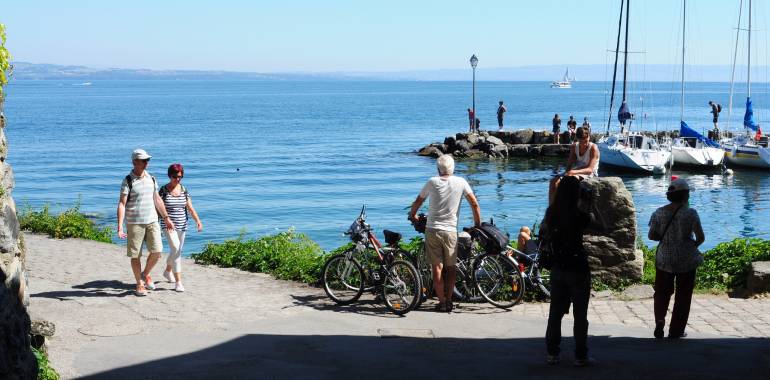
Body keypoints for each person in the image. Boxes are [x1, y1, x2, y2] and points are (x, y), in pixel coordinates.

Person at [409, 155, 481, 313]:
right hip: (450, 231)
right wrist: (477, 225)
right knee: (451, 268)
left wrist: (413, 214)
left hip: (432, 230)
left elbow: (418, 201)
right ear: (453, 168)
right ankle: (449, 301)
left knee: (437, 268)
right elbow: (475, 204)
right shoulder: (461, 182)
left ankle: (441, 302)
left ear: (438, 169)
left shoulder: (432, 182)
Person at [544, 176, 594, 367]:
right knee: (580, 315)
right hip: (578, 268)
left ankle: (552, 353)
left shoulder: (551, 213)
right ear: (577, 194)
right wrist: (591, 205)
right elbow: (602, 226)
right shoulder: (579, 215)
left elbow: (545, 232)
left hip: (558, 267)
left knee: (555, 313)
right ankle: (580, 355)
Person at [648, 178, 704, 339]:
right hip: (686, 259)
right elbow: (701, 237)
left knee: (661, 292)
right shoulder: (691, 213)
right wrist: (691, 245)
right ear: (685, 196)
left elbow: (652, 236)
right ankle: (676, 330)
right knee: (683, 295)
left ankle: (659, 320)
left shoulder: (658, 212)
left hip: (664, 258)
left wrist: (666, 238)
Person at [117, 149, 175, 296]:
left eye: (147, 160)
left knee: (157, 252)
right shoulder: (128, 180)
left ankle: (145, 273)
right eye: (143, 160)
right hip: (134, 223)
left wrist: (166, 217)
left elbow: (157, 199)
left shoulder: (152, 179)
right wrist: (120, 227)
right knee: (136, 255)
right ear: (134, 161)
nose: (146, 163)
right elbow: (122, 204)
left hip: (152, 221)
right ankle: (139, 284)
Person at [159, 163, 203, 292]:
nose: (177, 179)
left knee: (176, 250)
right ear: (169, 176)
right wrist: (165, 219)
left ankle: (167, 271)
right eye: (174, 176)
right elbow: (158, 207)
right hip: (168, 225)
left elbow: (190, 207)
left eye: (180, 176)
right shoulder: (163, 190)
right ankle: (178, 282)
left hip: (182, 224)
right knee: (176, 250)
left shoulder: (184, 189)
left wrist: (198, 221)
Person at [548, 127, 600, 204]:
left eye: (586, 141)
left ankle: (568, 205)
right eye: (582, 142)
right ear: (578, 139)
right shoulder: (574, 147)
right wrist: (565, 173)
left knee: (571, 180)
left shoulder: (593, 148)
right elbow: (569, 164)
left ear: (589, 137)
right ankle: (552, 208)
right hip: (576, 171)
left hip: (589, 173)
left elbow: (590, 169)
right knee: (553, 182)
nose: (585, 144)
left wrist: (572, 172)